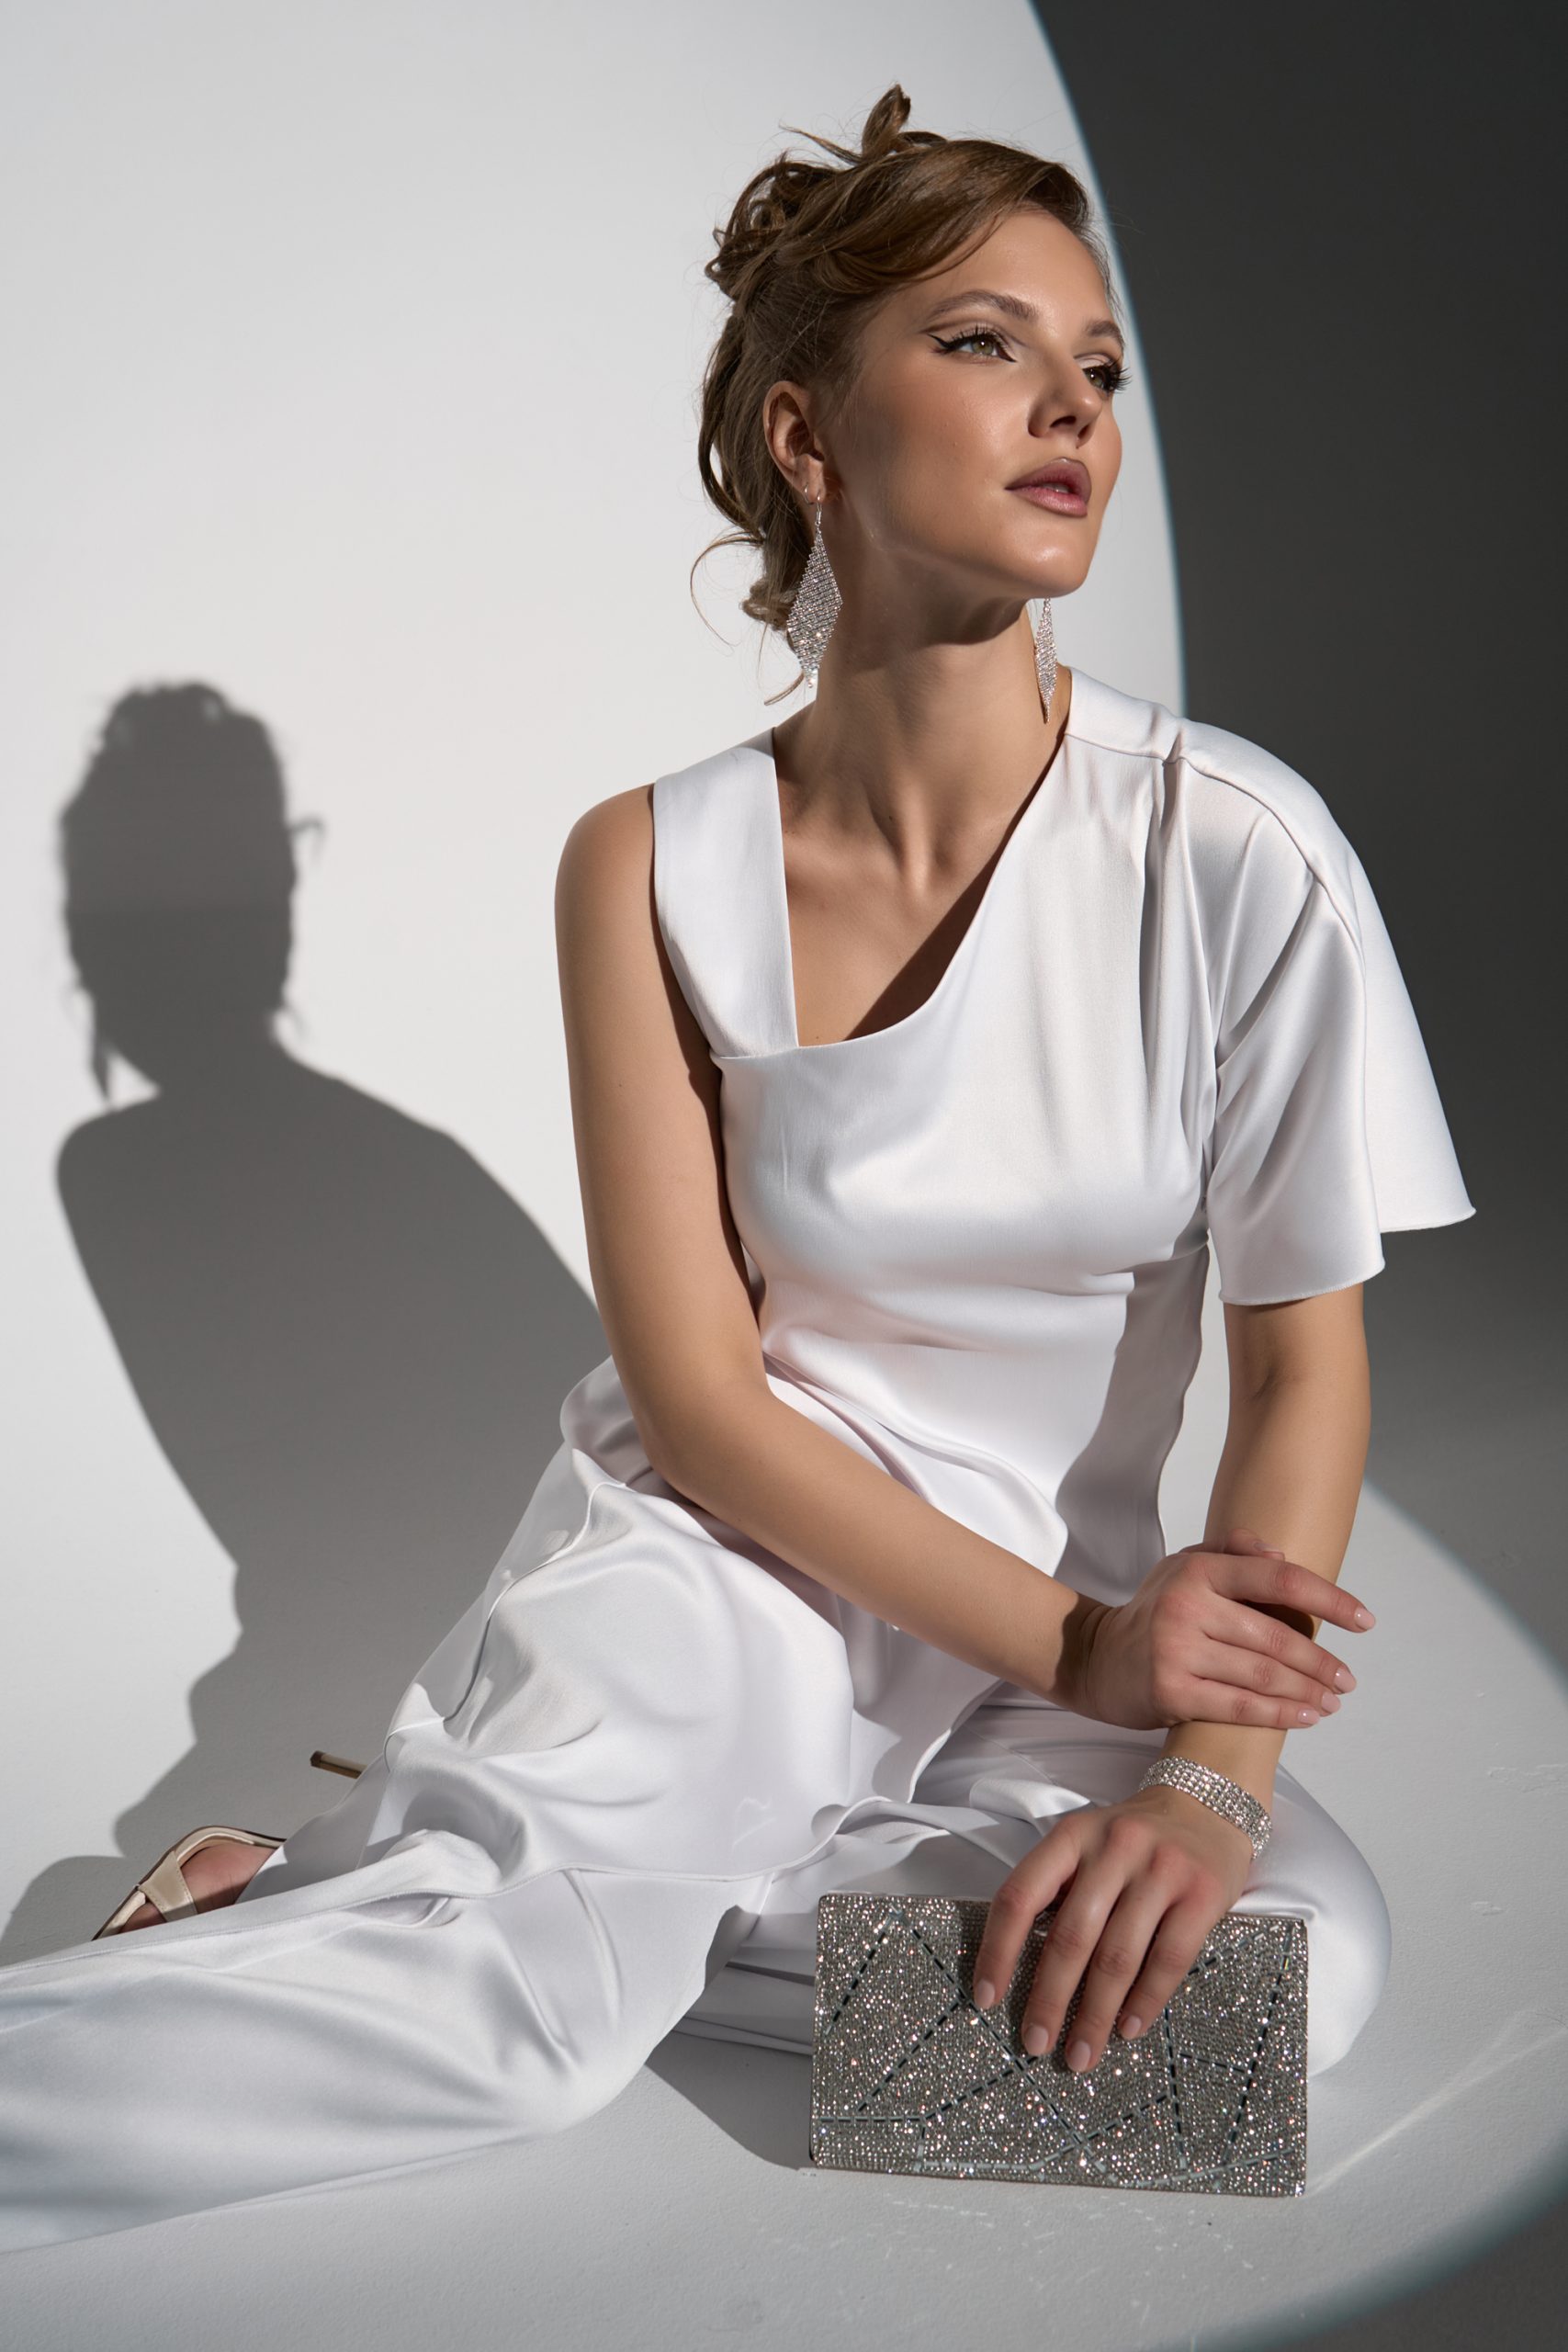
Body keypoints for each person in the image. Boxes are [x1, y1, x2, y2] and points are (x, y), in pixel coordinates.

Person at [0, 84, 1472, 2251]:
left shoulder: (1233, 850)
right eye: (979, 344)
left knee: (1286, 1990)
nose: (1069, 404)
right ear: (807, 436)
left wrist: (1198, 1775)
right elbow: (699, 1402)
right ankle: (479, 1930)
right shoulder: (644, 862)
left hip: (1055, 1641)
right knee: (520, 2028)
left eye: (1093, 361)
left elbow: (1300, 1371)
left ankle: (378, 1888)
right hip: (726, 1579)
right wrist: (1086, 1648)